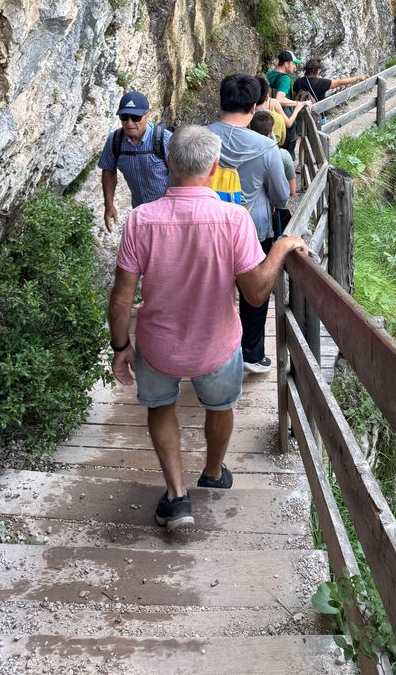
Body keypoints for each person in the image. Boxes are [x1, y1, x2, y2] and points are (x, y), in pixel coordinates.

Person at [108, 125, 306, 530]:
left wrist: (120, 346)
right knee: (220, 406)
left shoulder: (140, 220)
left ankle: (177, 496)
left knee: (160, 406)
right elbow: (254, 294)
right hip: (216, 344)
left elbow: (122, 298)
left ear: (168, 164)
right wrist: (282, 246)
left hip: (158, 346)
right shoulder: (234, 219)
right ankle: (213, 472)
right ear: (215, 168)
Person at [208, 74, 290, 374]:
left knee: (213, 289)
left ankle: (213, 349)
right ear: (254, 107)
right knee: (255, 292)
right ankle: (251, 354)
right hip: (254, 229)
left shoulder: (199, 139)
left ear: (221, 101)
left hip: (207, 228)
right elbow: (282, 196)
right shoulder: (266, 147)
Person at [97, 91, 172, 232]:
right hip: (140, 213)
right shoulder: (115, 140)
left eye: (136, 117)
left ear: (147, 115)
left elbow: (181, 176)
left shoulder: (165, 140)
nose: (129, 123)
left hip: (168, 214)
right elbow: (108, 170)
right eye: (124, 117)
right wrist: (109, 205)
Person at [250, 109, 297, 197]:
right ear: (270, 132)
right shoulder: (283, 155)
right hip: (272, 201)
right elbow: (292, 190)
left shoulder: (244, 152)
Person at [266, 51, 303, 156]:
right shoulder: (285, 78)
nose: (295, 66)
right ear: (286, 64)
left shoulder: (268, 74)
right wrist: (298, 103)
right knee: (286, 155)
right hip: (284, 119)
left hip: (268, 117)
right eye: (293, 63)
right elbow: (279, 99)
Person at [255, 74, 305, 149]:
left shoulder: (250, 104)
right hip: (273, 143)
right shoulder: (273, 102)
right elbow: (288, 123)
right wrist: (297, 109)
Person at [294, 59, 369, 104]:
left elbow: (293, 98)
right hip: (317, 116)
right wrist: (358, 78)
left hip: (300, 116)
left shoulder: (298, 82)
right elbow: (340, 82)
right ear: (318, 71)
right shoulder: (322, 83)